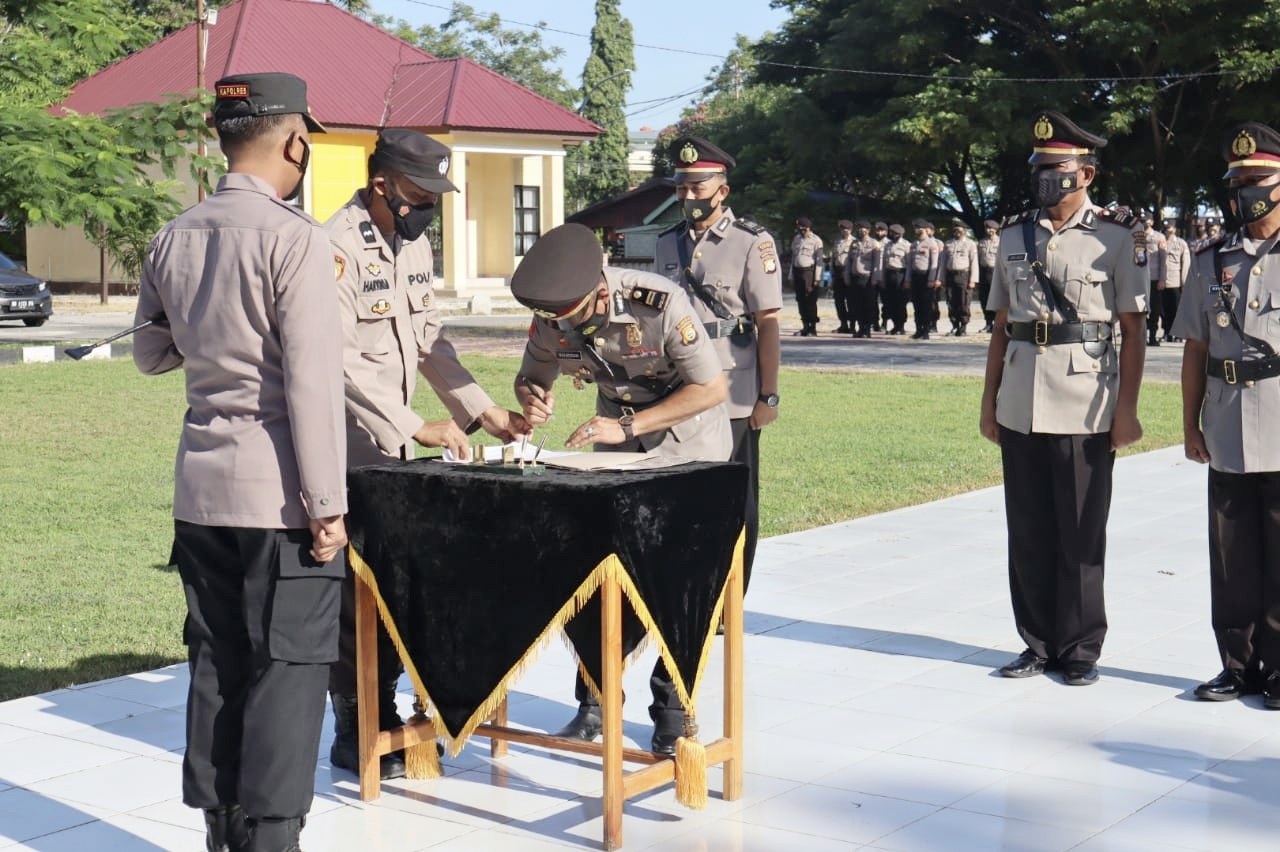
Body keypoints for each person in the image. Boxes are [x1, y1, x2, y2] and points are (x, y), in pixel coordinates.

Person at [133, 72, 347, 852]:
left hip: (201, 490)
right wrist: (327, 506)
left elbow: (151, 354)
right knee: (289, 670)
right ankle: (271, 838)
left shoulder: (174, 235)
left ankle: (222, 830)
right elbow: (314, 387)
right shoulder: (297, 239)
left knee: (216, 660)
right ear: (295, 142)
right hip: (280, 496)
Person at [323, 128, 531, 780]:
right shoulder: (334, 249)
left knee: (406, 587)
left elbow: (430, 343)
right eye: (421, 194)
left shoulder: (410, 243)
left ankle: (412, 711)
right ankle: (359, 723)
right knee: (356, 598)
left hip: (401, 456)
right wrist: (418, 425)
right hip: (352, 448)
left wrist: (482, 409)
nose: (429, 209)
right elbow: (337, 360)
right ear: (383, 185)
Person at [511, 222, 731, 755]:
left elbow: (712, 386)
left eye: (573, 318)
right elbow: (531, 373)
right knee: (602, 572)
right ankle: (594, 700)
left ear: (602, 293)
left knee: (679, 579)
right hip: (615, 443)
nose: (561, 329)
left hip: (687, 443)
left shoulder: (658, 302)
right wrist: (533, 396)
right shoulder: (553, 314)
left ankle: (673, 706)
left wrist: (630, 427)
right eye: (553, 321)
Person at [979, 110, 1148, 687]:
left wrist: (1126, 411)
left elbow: (1133, 329)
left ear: (1087, 174)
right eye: (1040, 168)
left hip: (1087, 400)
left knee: (1080, 530)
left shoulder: (1116, 238)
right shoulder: (1012, 235)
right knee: (1027, 529)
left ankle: (1079, 648)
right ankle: (1036, 642)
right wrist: (988, 403)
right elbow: (1001, 325)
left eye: (1058, 168)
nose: (1046, 177)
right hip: (1021, 397)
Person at [1174, 121, 1280, 705]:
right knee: (1231, 553)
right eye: (1238, 181)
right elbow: (1194, 350)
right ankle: (1237, 665)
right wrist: (1189, 425)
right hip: (1228, 422)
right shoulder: (1211, 259)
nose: (1246, 191)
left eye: (1257, 179)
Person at [652, 134, 782, 598]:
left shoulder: (752, 241)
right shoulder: (667, 244)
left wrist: (768, 395)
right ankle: (689, 585)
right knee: (683, 492)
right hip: (679, 387)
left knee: (733, 499)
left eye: (698, 187)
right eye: (681, 187)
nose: (688, 197)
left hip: (734, 388)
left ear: (722, 189)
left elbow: (767, 323)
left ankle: (729, 599)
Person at [941, 218, 979, 335]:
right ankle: (954, 325)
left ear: (964, 230)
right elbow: (943, 262)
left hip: (964, 275)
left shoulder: (970, 244)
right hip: (950, 275)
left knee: (963, 302)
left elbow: (974, 262)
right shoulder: (948, 244)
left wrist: (973, 280)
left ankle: (963, 326)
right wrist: (942, 278)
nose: (956, 230)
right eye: (955, 228)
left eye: (959, 228)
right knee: (951, 301)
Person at [846, 220, 882, 337]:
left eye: (863, 228)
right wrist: (847, 276)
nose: (861, 230)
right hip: (855, 278)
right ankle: (860, 328)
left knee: (868, 304)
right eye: (859, 228)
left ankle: (867, 329)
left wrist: (875, 278)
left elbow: (877, 263)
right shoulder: (854, 243)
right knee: (857, 304)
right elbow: (848, 262)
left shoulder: (874, 244)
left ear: (868, 230)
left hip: (867, 278)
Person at [908, 219, 941, 339]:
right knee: (917, 305)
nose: (916, 230)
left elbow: (934, 263)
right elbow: (909, 264)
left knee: (926, 305)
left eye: (918, 227)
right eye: (915, 227)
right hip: (915, 276)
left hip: (926, 276)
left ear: (924, 229)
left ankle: (926, 330)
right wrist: (908, 279)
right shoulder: (914, 244)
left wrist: (932, 279)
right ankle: (918, 329)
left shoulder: (931, 244)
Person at [791, 217, 824, 336]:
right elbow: (794, 257)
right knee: (800, 300)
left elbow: (819, 261)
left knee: (810, 300)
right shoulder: (797, 239)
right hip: (797, 271)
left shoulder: (816, 240)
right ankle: (804, 325)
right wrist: (791, 275)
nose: (800, 230)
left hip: (809, 272)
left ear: (808, 228)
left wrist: (817, 278)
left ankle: (812, 327)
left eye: (802, 228)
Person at [1162, 221, 1190, 342]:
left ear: (1174, 229)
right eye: (1166, 228)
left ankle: (1178, 334)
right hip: (1162, 281)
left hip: (1175, 281)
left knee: (1177, 310)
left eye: (1170, 228)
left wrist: (1184, 282)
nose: (1168, 230)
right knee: (1164, 311)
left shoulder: (1181, 243)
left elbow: (1186, 263)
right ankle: (1167, 332)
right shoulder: (1161, 242)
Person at [1143, 216, 1169, 346]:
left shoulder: (1159, 237)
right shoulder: (1135, 236)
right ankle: (1140, 336)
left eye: (1147, 219)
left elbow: (1163, 261)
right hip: (1140, 279)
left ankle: (1152, 336)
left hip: (1154, 279)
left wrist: (1162, 279)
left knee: (1155, 310)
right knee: (1139, 310)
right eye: (1142, 219)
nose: (1145, 221)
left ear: (1152, 222)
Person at [880, 223, 910, 334]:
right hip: (889, 274)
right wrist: (882, 278)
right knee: (890, 302)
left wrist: (907, 280)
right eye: (892, 233)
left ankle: (900, 326)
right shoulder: (887, 245)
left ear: (901, 234)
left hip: (900, 274)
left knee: (900, 302)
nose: (893, 235)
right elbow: (884, 263)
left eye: (895, 233)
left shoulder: (906, 245)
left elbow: (909, 264)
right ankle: (894, 325)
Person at [830, 220, 855, 333]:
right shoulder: (837, 241)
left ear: (850, 229)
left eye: (847, 228)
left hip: (849, 272)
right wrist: (832, 274)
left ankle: (853, 325)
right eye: (842, 228)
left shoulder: (854, 242)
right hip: (838, 273)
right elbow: (833, 259)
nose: (844, 230)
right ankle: (843, 324)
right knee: (838, 300)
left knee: (851, 300)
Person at [977, 219, 1000, 333]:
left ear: (996, 229)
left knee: (995, 298)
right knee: (984, 299)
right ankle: (988, 323)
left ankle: (997, 323)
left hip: (995, 272)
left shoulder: (1001, 242)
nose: (989, 230)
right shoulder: (981, 242)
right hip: (983, 272)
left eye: (991, 228)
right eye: (987, 228)